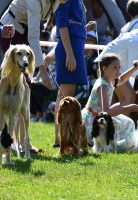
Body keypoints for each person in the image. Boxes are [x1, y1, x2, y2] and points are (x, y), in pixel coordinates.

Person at [48, 0, 96, 147]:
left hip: (75, 47)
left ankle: (62, 137)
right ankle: (60, 139)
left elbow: (72, 24)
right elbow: (62, 25)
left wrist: (84, 28)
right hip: (70, 50)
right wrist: (69, 54)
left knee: (67, 93)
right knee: (65, 95)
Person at [0, 0, 65, 90]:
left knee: (26, 82)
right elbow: (33, 38)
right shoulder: (34, 1)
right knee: (19, 79)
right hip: (11, 30)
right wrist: (44, 72)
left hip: (26, 31)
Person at [81, 54, 138, 150]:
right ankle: (115, 146)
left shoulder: (110, 81)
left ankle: (115, 144)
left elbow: (121, 79)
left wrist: (134, 68)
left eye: (119, 67)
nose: (118, 71)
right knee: (126, 124)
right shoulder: (103, 86)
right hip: (93, 121)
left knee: (128, 122)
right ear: (104, 69)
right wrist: (128, 108)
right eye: (114, 68)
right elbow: (106, 112)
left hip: (101, 117)